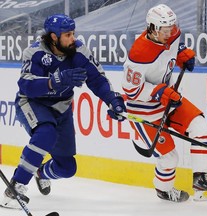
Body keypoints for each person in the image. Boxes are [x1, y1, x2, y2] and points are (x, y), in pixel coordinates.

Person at [1, 14, 126, 209]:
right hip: (33, 103)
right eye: (67, 34)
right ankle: (15, 188)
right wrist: (54, 81)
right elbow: (26, 85)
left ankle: (40, 172)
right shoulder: (34, 52)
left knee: (67, 168)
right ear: (53, 37)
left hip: (62, 107)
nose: (73, 38)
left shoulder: (78, 51)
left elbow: (97, 79)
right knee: (45, 133)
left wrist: (112, 100)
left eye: (73, 33)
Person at [121, 4, 207, 202]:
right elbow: (131, 90)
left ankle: (200, 178)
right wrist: (159, 91)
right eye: (165, 30)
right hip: (144, 110)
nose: (170, 33)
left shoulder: (172, 34)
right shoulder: (138, 53)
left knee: (201, 127)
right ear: (152, 28)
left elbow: (174, 48)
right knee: (170, 158)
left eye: (172, 28)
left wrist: (182, 54)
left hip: (169, 101)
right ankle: (164, 189)